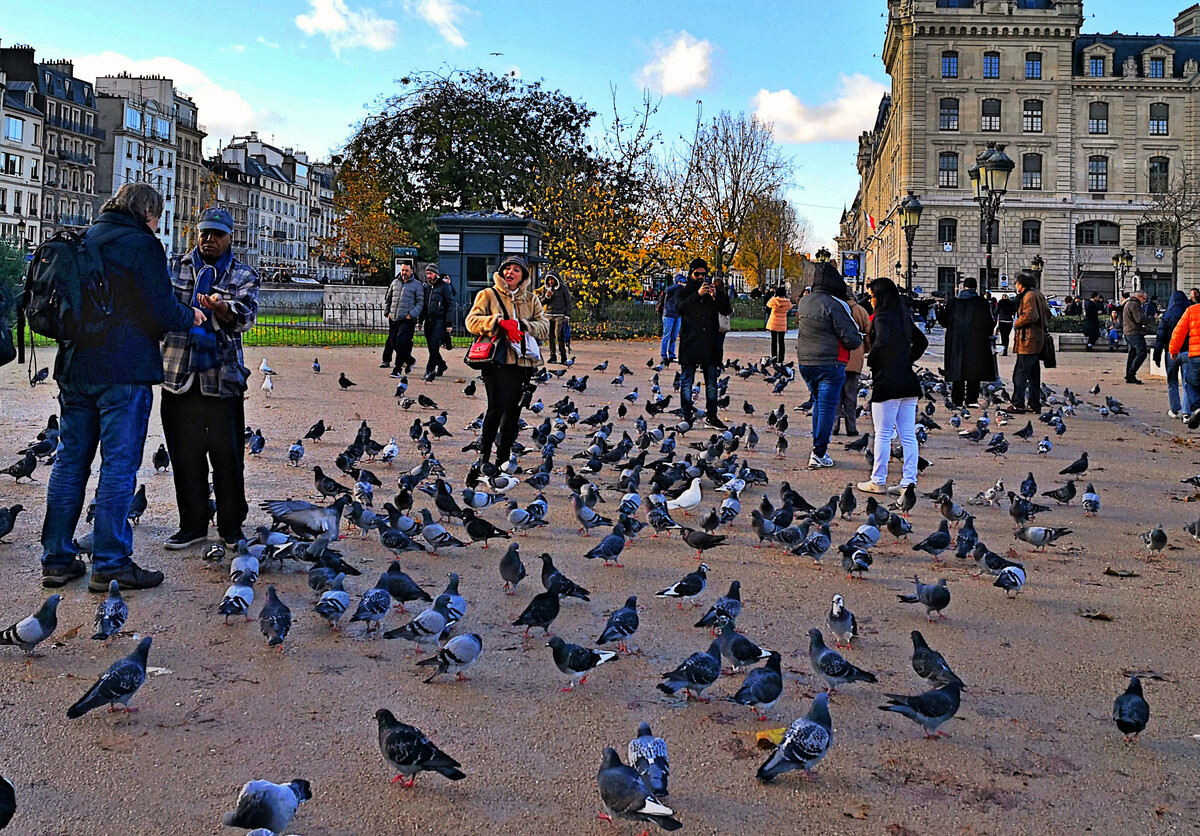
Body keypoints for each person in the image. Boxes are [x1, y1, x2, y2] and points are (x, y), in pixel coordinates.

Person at [39, 183, 201, 591]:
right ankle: (111, 562)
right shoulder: (142, 244)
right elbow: (161, 309)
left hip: (75, 367)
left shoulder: (85, 237)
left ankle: (56, 558)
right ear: (148, 213)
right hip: (123, 369)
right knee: (118, 466)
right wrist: (192, 316)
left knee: (70, 461)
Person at [159, 207, 260, 551]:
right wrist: (190, 313)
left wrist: (222, 309)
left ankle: (232, 526)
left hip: (222, 378)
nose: (209, 240)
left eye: (217, 234)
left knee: (227, 457)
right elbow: (159, 310)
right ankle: (192, 524)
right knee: (184, 456)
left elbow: (245, 316)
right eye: (204, 233)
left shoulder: (243, 274)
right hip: (178, 374)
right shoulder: (174, 266)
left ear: (230, 238)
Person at [464, 254, 549, 467]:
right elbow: (471, 322)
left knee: (513, 411)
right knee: (496, 407)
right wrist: (499, 323)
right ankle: (484, 455)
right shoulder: (488, 294)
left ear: (523, 276)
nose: (510, 272)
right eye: (507, 269)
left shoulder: (532, 299)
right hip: (495, 360)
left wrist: (522, 325)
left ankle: (502, 458)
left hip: (522, 363)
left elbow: (544, 327)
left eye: (516, 270)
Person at [859, 277, 928, 494]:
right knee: (907, 434)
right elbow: (922, 342)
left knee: (883, 432)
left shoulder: (882, 318)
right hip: (908, 381)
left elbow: (881, 344)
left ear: (880, 297)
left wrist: (873, 361)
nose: (870, 300)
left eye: (872, 296)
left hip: (888, 381)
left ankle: (878, 480)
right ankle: (908, 481)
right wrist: (906, 360)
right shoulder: (903, 316)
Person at [793, 262, 863, 468]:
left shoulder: (804, 302)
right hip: (830, 361)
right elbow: (851, 337)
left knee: (817, 402)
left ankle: (818, 447)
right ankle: (818, 452)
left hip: (806, 361)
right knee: (825, 407)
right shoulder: (835, 304)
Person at [675, 258, 732, 429]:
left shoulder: (714, 292)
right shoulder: (683, 291)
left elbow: (727, 310)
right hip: (690, 342)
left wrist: (715, 297)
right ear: (691, 274)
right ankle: (686, 415)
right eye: (697, 274)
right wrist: (697, 294)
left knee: (712, 382)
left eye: (703, 274)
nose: (700, 277)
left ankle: (712, 416)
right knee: (687, 381)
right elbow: (680, 308)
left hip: (709, 343)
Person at [937, 276, 996, 407]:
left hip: (956, 340)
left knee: (957, 370)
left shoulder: (953, 303)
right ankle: (971, 399)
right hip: (976, 341)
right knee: (973, 371)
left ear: (963, 287)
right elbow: (989, 323)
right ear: (975, 288)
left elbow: (943, 320)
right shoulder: (981, 303)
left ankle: (957, 399)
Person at [1009, 271, 1051, 414]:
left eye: (1017, 283)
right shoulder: (1038, 294)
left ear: (1022, 284)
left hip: (1028, 340)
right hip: (1037, 339)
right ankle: (1034, 403)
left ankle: (1018, 403)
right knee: (1034, 374)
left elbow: (1031, 316)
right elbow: (1047, 314)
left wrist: (1017, 323)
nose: (1015, 285)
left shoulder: (1028, 296)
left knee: (1020, 374)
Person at [835, 290, 871, 436]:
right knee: (851, 395)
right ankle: (851, 426)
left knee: (836, 394)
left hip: (838, 354)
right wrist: (865, 349)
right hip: (855, 354)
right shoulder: (860, 310)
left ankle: (834, 425)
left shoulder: (836, 308)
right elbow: (868, 332)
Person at [383, 262, 423, 377]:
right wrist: (387, 312)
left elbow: (420, 302)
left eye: (406, 270)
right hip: (394, 317)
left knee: (401, 342)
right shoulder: (395, 282)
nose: (404, 273)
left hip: (407, 319)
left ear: (411, 271)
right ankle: (410, 360)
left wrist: (412, 314)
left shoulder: (417, 285)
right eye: (402, 270)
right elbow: (388, 298)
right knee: (393, 342)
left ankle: (397, 369)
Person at [1155, 290, 1191, 418]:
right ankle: (1187, 412)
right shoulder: (1189, 314)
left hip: (1171, 352)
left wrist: (1157, 355)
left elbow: (1160, 337)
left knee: (1172, 381)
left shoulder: (1166, 316)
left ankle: (1175, 410)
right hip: (1188, 351)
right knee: (1188, 383)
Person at [420, 262, 453, 381]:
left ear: (436, 274)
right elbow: (423, 305)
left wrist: (449, 323)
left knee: (434, 345)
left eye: (430, 273)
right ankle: (442, 365)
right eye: (427, 273)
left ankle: (429, 370)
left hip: (440, 320)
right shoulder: (425, 287)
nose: (428, 276)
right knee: (431, 347)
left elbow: (450, 305)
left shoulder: (444, 286)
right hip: (428, 320)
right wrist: (420, 321)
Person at [1170, 301, 1200, 429]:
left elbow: (1179, 332)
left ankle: (1197, 407)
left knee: (1192, 383)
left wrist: (1173, 350)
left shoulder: (1192, 310)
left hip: (1196, 355)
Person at [540, 272, 572, 364]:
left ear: (556, 279)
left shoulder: (563, 289)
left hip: (560, 315)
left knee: (559, 335)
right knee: (550, 336)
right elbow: (542, 302)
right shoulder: (546, 289)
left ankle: (563, 356)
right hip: (549, 314)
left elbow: (568, 301)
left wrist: (567, 315)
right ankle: (552, 356)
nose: (550, 281)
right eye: (549, 280)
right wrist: (547, 296)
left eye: (552, 279)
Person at [1123, 289, 1154, 384]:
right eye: (1144, 299)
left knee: (1132, 353)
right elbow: (1139, 319)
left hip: (1128, 332)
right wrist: (1151, 319)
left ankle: (1129, 375)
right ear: (1139, 297)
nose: (1145, 301)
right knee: (1142, 352)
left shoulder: (1129, 303)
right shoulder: (1134, 305)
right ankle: (1131, 373)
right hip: (1134, 332)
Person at [658, 273, 685, 364]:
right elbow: (667, 289)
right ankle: (663, 355)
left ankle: (672, 354)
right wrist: (678, 285)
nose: (682, 284)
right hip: (668, 315)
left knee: (674, 337)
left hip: (677, 316)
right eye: (680, 281)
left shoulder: (682, 293)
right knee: (666, 336)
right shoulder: (672, 290)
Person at [765, 286, 793, 364]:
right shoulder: (787, 302)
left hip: (774, 322)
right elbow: (790, 307)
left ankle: (774, 358)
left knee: (773, 341)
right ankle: (781, 359)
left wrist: (774, 296)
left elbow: (768, 304)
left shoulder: (774, 300)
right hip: (782, 323)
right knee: (781, 342)